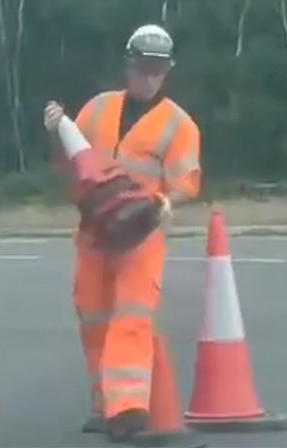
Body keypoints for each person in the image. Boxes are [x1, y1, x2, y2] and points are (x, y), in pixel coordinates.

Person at [43, 24, 202, 443]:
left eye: (157, 70)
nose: (149, 77)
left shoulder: (178, 125)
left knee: (131, 320)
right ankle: (104, 405)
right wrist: (56, 131)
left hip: (140, 236)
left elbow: (186, 181)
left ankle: (128, 408)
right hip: (95, 232)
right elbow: (71, 162)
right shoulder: (97, 109)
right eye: (143, 67)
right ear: (129, 65)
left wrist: (162, 204)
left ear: (167, 71)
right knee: (93, 317)